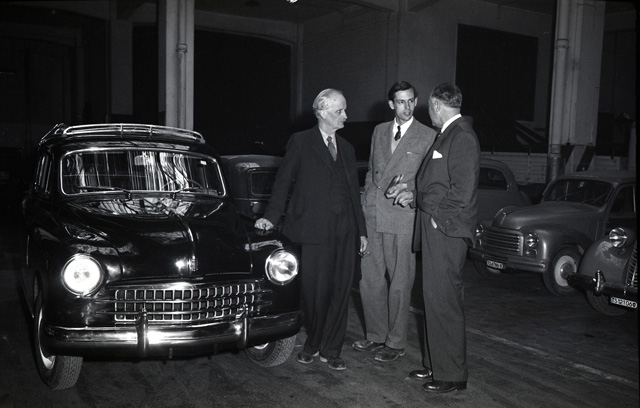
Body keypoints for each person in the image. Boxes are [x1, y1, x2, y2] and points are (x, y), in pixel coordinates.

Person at [254, 88, 367, 371]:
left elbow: (354, 194)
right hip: (314, 231)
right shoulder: (301, 141)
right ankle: (313, 343)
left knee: (340, 292)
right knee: (314, 292)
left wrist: (362, 231)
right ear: (322, 112)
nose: (346, 115)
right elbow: (283, 182)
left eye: (344, 110)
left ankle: (332, 349)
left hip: (346, 231)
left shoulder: (348, 148)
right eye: (340, 111)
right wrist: (270, 216)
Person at [390, 83, 479, 393]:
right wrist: (414, 197)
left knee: (445, 301)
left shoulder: (462, 136)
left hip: (446, 231)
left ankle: (452, 375)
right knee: (433, 299)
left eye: (428, 107)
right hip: (436, 229)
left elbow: (462, 191)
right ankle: (435, 365)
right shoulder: (447, 134)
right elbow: (437, 185)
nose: (427, 112)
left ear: (438, 106)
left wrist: (437, 218)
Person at [352, 81, 436, 362]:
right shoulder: (379, 130)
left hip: (402, 217)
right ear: (391, 104)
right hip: (373, 214)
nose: (407, 107)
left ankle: (396, 342)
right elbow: (371, 170)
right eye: (401, 102)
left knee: (400, 282)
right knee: (370, 280)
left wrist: (412, 193)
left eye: (411, 101)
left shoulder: (428, 135)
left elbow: (430, 181)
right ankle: (375, 335)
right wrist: (365, 204)